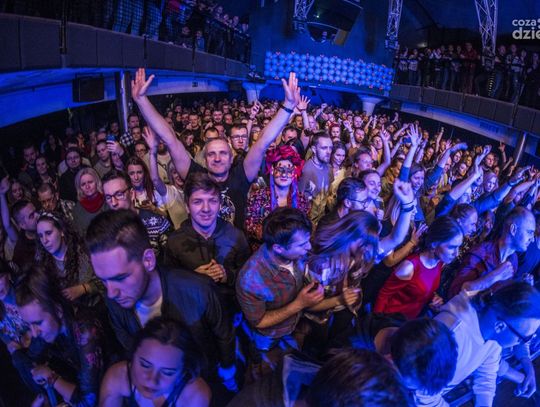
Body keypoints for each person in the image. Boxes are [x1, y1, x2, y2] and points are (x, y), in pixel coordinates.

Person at [131, 68, 302, 229]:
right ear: (204, 159)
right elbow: (170, 138)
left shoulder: (240, 176)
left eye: (223, 153)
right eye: (211, 154)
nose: (217, 158)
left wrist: (288, 106)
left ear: (231, 158)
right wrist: (141, 100)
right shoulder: (195, 176)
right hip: (198, 246)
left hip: (233, 247)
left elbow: (263, 141)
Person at [85, 209, 237, 389]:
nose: (111, 293)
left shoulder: (199, 290)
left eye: (120, 278)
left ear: (148, 260)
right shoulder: (114, 304)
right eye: (104, 280)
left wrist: (227, 371)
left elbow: (224, 335)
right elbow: (131, 349)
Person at [415, 282, 540, 406]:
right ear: (500, 327)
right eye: (524, 338)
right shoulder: (451, 336)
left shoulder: (493, 328)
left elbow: (486, 375)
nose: (521, 343)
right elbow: (420, 395)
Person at [236, 207, 324, 377]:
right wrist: (300, 304)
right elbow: (259, 321)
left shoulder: (295, 253)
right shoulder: (251, 279)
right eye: (302, 244)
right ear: (278, 248)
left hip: (294, 326)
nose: (309, 247)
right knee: (265, 370)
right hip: (269, 337)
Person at [12, 267, 106, 407]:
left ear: (58, 310)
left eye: (38, 323)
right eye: (29, 325)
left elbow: (88, 403)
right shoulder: (49, 327)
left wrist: (52, 377)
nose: (34, 333)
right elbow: (31, 358)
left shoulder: (85, 330)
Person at [165, 173, 250, 308]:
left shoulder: (236, 236)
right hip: (193, 312)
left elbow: (249, 277)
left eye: (212, 201)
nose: (206, 209)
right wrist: (192, 278)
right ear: (187, 206)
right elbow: (167, 284)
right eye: (198, 202)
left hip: (230, 312)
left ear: (220, 205)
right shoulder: (175, 242)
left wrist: (227, 275)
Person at [100, 317, 211, 407]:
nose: (152, 380)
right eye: (145, 365)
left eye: (167, 373)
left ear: (183, 371)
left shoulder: (195, 395)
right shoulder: (119, 376)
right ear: (133, 355)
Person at [374, 216, 463, 319]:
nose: (456, 253)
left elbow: (420, 289)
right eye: (452, 247)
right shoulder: (409, 267)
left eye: (458, 247)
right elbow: (383, 295)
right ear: (434, 245)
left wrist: (433, 298)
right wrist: (376, 322)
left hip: (408, 322)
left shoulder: (439, 263)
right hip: (391, 320)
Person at [449, 207, 536, 298]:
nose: (532, 239)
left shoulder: (513, 259)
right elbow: (455, 294)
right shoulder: (480, 253)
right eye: (529, 232)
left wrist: (519, 287)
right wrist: (494, 276)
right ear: (513, 230)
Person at [245, 146, 310, 248]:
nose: (284, 175)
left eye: (288, 170)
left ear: (294, 172)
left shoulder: (302, 200)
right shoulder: (258, 197)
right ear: (272, 170)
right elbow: (249, 227)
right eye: (280, 169)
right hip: (265, 252)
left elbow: (305, 229)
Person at [35, 212, 102, 307]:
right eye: (40, 236)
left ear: (61, 231)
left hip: (100, 306)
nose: (45, 240)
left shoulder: (83, 250)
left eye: (48, 233)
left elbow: (107, 279)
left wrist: (84, 288)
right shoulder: (43, 263)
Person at [102, 170, 171, 257]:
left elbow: (172, 258)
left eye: (119, 194)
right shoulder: (108, 233)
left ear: (131, 194)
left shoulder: (156, 221)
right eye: (108, 197)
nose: (114, 203)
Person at [0, 178, 38, 269]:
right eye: (14, 191)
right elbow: (7, 225)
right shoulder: (22, 244)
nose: (18, 193)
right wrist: (1, 194)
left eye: (20, 189)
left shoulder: (31, 203)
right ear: (22, 224)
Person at [298, 133, 333, 223]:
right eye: (324, 148)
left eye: (330, 148)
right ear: (314, 149)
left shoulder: (329, 168)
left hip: (321, 221)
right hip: (307, 222)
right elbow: (298, 201)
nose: (329, 152)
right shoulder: (306, 171)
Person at [71, 167, 106, 238]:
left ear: (97, 182)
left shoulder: (108, 200)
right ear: (79, 188)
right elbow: (80, 235)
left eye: (90, 182)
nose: (87, 186)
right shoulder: (77, 209)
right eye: (83, 184)